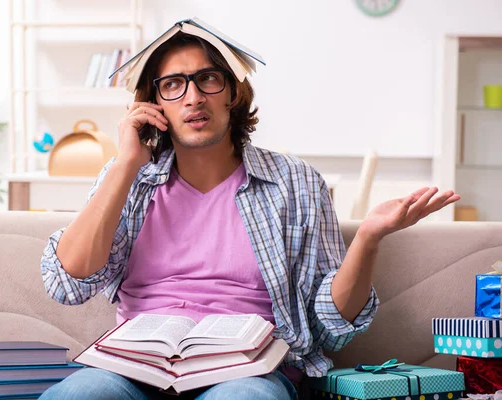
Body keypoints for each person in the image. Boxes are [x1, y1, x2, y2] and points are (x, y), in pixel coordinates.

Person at [39, 30, 460, 400]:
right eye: (172, 85)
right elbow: (67, 284)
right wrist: (127, 162)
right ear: (153, 105)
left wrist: (368, 237)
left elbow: (332, 328)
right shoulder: (127, 178)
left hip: (246, 371)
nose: (193, 96)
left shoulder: (295, 182)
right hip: (135, 371)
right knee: (80, 393)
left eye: (207, 78)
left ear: (233, 92)